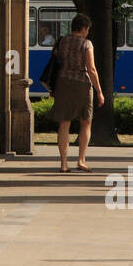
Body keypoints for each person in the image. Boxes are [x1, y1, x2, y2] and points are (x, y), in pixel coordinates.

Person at [51, 13, 105, 173]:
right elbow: (91, 68)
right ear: (83, 28)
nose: (88, 32)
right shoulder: (86, 43)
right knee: (86, 121)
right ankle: (81, 160)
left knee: (64, 122)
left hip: (63, 82)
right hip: (82, 84)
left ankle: (63, 163)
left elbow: (56, 62)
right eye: (87, 29)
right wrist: (100, 91)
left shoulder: (62, 41)